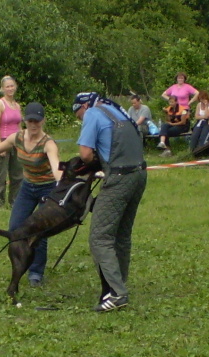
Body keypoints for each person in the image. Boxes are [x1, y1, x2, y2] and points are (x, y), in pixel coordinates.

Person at [0, 102, 62, 287]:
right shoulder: (17, 137)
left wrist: (60, 182)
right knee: (15, 229)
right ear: (25, 120)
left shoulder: (48, 143)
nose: (33, 125)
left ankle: (36, 272)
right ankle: (19, 265)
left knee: (40, 232)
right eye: (30, 121)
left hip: (47, 189)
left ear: (43, 121)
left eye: (37, 122)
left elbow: (56, 165)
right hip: (27, 187)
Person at [72, 92, 147, 312]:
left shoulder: (93, 114)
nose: (81, 120)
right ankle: (118, 284)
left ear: (83, 107)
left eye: (79, 116)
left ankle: (116, 293)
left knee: (100, 237)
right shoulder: (118, 111)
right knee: (121, 236)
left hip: (119, 179)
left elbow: (85, 153)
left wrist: (94, 163)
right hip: (139, 175)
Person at [0, 75, 23, 207]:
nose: (10, 88)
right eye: (7, 86)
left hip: (16, 141)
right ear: (3, 89)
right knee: (0, 174)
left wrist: (22, 142)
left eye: (12, 86)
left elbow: (19, 126)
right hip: (3, 141)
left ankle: (15, 201)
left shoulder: (17, 105)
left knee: (17, 175)